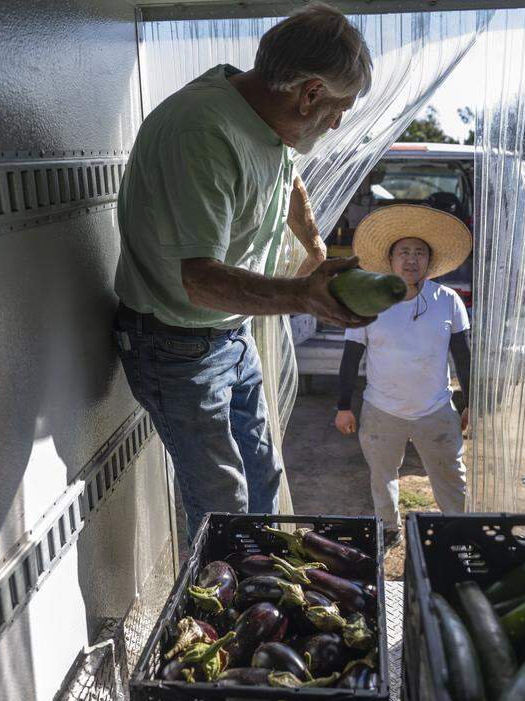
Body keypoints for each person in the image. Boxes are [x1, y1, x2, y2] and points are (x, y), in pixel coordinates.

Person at [113, 3, 374, 542]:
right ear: (309, 93)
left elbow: (287, 178)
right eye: (339, 108)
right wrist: (305, 295)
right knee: (222, 507)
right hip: (176, 343)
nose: (338, 122)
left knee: (263, 482)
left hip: (228, 335)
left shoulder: (269, 121)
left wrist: (315, 244)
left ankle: (263, 590)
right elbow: (201, 280)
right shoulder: (203, 132)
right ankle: (216, 620)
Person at [333, 205, 473, 546]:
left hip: (435, 410)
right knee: (382, 476)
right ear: (391, 259)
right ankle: (388, 529)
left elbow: (463, 356)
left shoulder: (447, 300)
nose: (412, 260)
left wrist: (471, 402)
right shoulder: (369, 301)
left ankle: (458, 534)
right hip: (382, 411)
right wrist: (343, 406)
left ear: (429, 260)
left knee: (451, 477)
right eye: (404, 252)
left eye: (420, 253)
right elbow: (351, 357)